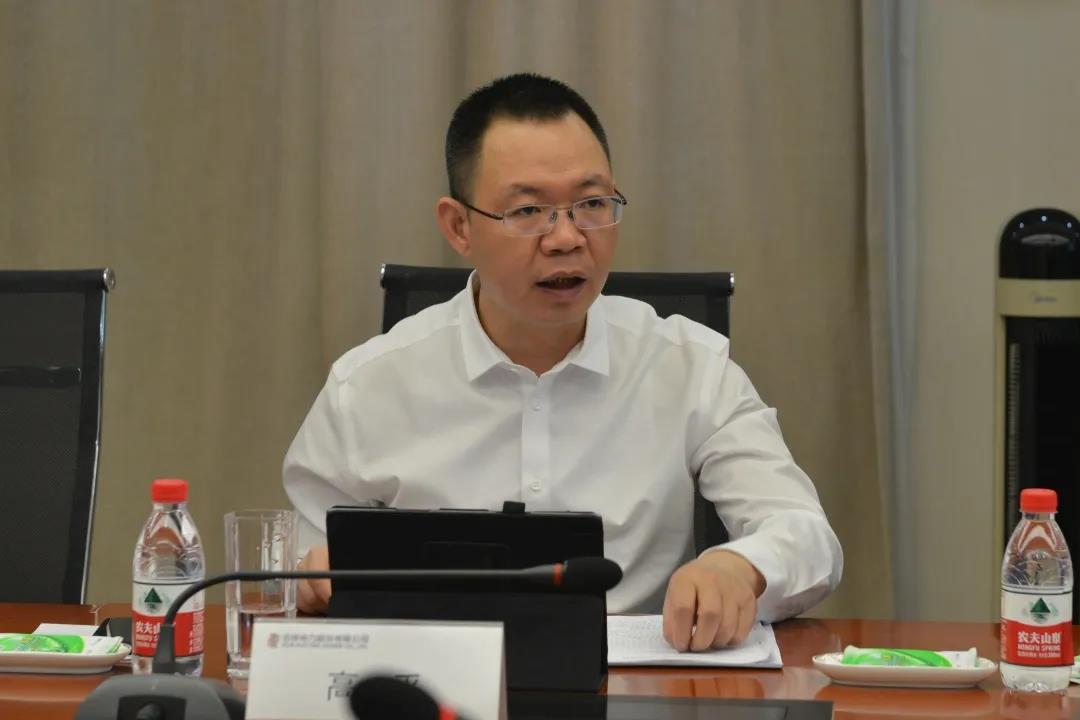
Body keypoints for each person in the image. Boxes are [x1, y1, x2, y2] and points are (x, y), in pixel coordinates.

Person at [283, 73, 842, 652]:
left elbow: (807, 536)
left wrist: (739, 568)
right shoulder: (366, 386)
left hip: (634, 683)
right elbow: (295, 567)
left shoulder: (690, 367)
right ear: (458, 227)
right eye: (529, 210)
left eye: (592, 204)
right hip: (431, 678)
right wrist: (309, 579)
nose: (567, 238)